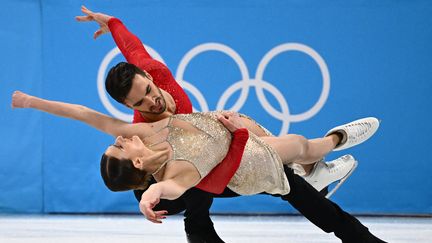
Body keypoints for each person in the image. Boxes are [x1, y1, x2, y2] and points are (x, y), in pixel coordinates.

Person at [75, 6, 357, 242]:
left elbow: (133, 49)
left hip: (193, 160)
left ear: (148, 78)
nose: (151, 104)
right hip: (160, 183)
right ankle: (311, 172)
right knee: (200, 188)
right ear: (130, 107)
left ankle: (317, 167)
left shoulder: (155, 72)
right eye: (140, 104)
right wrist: (150, 195)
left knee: (274, 164)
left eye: (148, 92)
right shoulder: (147, 131)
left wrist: (112, 23)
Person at [11, 91, 385, 243]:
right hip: (252, 170)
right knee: (309, 192)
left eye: (117, 140)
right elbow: (165, 191)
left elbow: (86, 114)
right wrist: (150, 197)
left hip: (246, 148)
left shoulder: (146, 130)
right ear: (137, 162)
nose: (120, 137)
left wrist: (31, 102)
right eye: (119, 146)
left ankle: (334, 143)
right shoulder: (177, 178)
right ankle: (316, 172)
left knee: (305, 147)